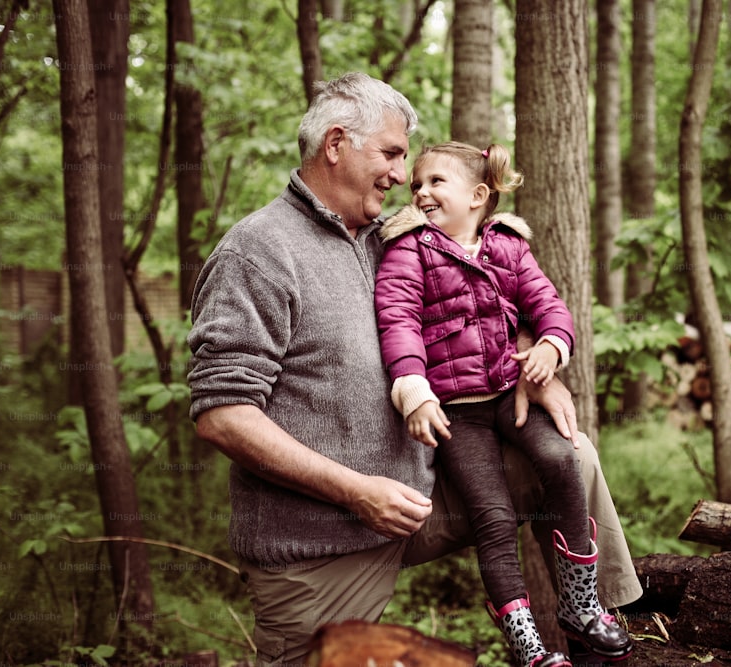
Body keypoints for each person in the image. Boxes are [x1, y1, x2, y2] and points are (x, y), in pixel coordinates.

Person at [186, 72, 642, 667]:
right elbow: (221, 416)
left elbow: (490, 289)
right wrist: (356, 492)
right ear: (335, 143)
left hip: (425, 494)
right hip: (320, 539)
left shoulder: (398, 237)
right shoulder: (259, 253)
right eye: (392, 154)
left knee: (567, 451)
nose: (403, 176)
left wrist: (536, 356)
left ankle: (598, 627)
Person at [374, 141, 633, 667]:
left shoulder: (509, 247)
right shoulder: (408, 251)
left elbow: (549, 304)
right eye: (416, 184)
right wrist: (414, 392)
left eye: (435, 182)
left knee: (563, 458)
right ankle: (528, 645)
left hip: (510, 397)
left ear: (478, 195)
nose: (420, 191)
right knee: (490, 516)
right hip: (459, 412)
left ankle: (581, 606)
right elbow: (398, 324)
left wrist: (551, 346)